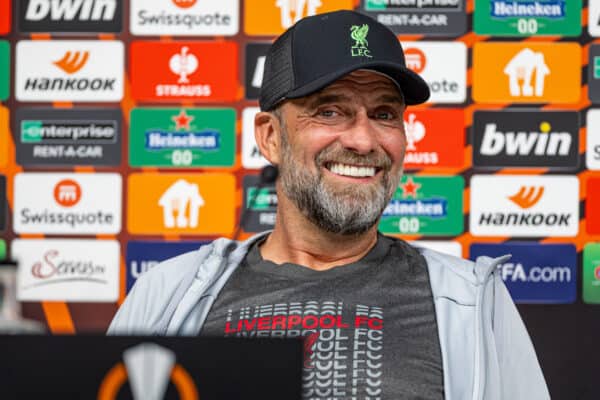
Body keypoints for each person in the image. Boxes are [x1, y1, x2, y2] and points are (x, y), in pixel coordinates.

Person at [109, 10, 550, 399]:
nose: (362, 140)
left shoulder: (474, 300)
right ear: (270, 137)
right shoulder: (165, 295)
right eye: (329, 112)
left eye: (383, 114)